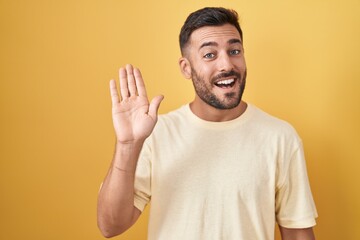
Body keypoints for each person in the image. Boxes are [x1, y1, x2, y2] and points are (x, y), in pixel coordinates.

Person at [97, 7, 318, 240]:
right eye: (210, 55)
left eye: (234, 51)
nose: (226, 65)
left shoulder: (280, 137)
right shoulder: (156, 133)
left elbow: (297, 233)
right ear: (186, 67)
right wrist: (127, 144)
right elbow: (110, 226)